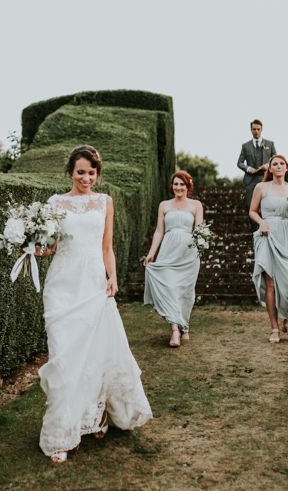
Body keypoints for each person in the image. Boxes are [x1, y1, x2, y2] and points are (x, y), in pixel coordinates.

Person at [37, 145, 152, 464]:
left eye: (91, 172)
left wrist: (112, 277)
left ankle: (98, 414)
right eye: (80, 172)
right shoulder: (55, 203)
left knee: (97, 351)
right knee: (64, 354)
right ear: (70, 172)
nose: (86, 178)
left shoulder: (105, 202)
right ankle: (61, 432)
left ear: (97, 174)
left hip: (92, 283)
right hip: (62, 285)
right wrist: (34, 247)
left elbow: (107, 246)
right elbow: (49, 246)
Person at [143, 171, 204, 348]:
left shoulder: (196, 205)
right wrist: (151, 253)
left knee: (184, 291)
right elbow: (159, 231)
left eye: (182, 184)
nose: (178, 187)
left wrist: (200, 245)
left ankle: (184, 325)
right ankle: (175, 329)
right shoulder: (164, 205)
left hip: (188, 252)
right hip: (168, 250)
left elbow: (199, 229)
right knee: (169, 286)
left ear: (188, 186)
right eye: (175, 184)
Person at [249, 154, 288, 343]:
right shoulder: (261, 187)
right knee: (270, 284)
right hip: (267, 235)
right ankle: (274, 328)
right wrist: (261, 222)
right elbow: (252, 211)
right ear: (269, 169)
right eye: (275, 164)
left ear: (287, 167)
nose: (278, 166)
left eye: (282, 164)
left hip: (287, 236)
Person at [237, 120, 276, 228]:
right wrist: (249, 169)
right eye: (254, 129)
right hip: (250, 181)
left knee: (266, 206)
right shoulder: (245, 146)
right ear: (251, 130)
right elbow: (239, 163)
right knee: (251, 207)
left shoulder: (270, 144)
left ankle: (267, 228)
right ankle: (255, 231)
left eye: (258, 129)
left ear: (261, 129)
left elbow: (276, 159)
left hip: (266, 179)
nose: (256, 131)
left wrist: (267, 166)